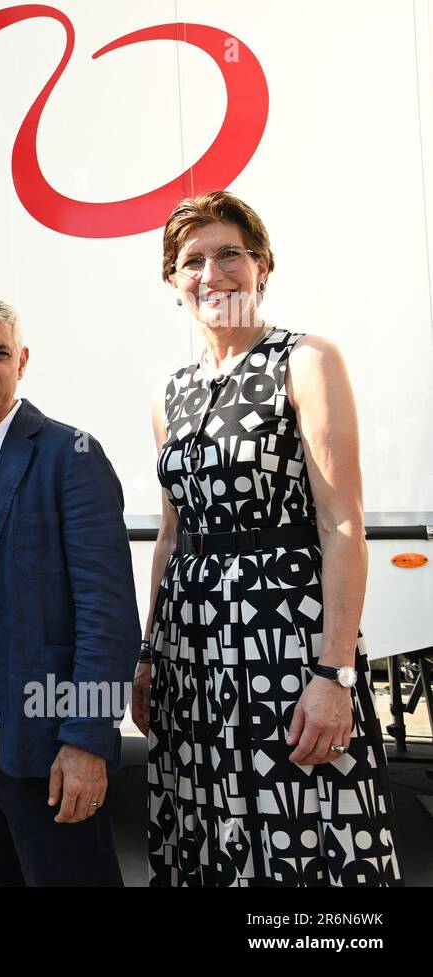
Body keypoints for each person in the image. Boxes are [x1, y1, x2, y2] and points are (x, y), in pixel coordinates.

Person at [134, 190, 402, 886]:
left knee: (302, 823)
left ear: (262, 267)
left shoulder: (305, 360)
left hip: (284, 642)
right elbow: (171, 536)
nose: (212, 272)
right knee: (207, 818)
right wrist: (147, 653)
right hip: (190, 654)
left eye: (231, 253)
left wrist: (334, 673)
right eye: (192, 259)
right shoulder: (170, 393)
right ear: (173, 280)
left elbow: (342, 523)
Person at [0, 293, 138, 886]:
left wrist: (88, 740)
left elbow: (107, 615)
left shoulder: (71, 456)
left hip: (44, 733)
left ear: (22, 361)